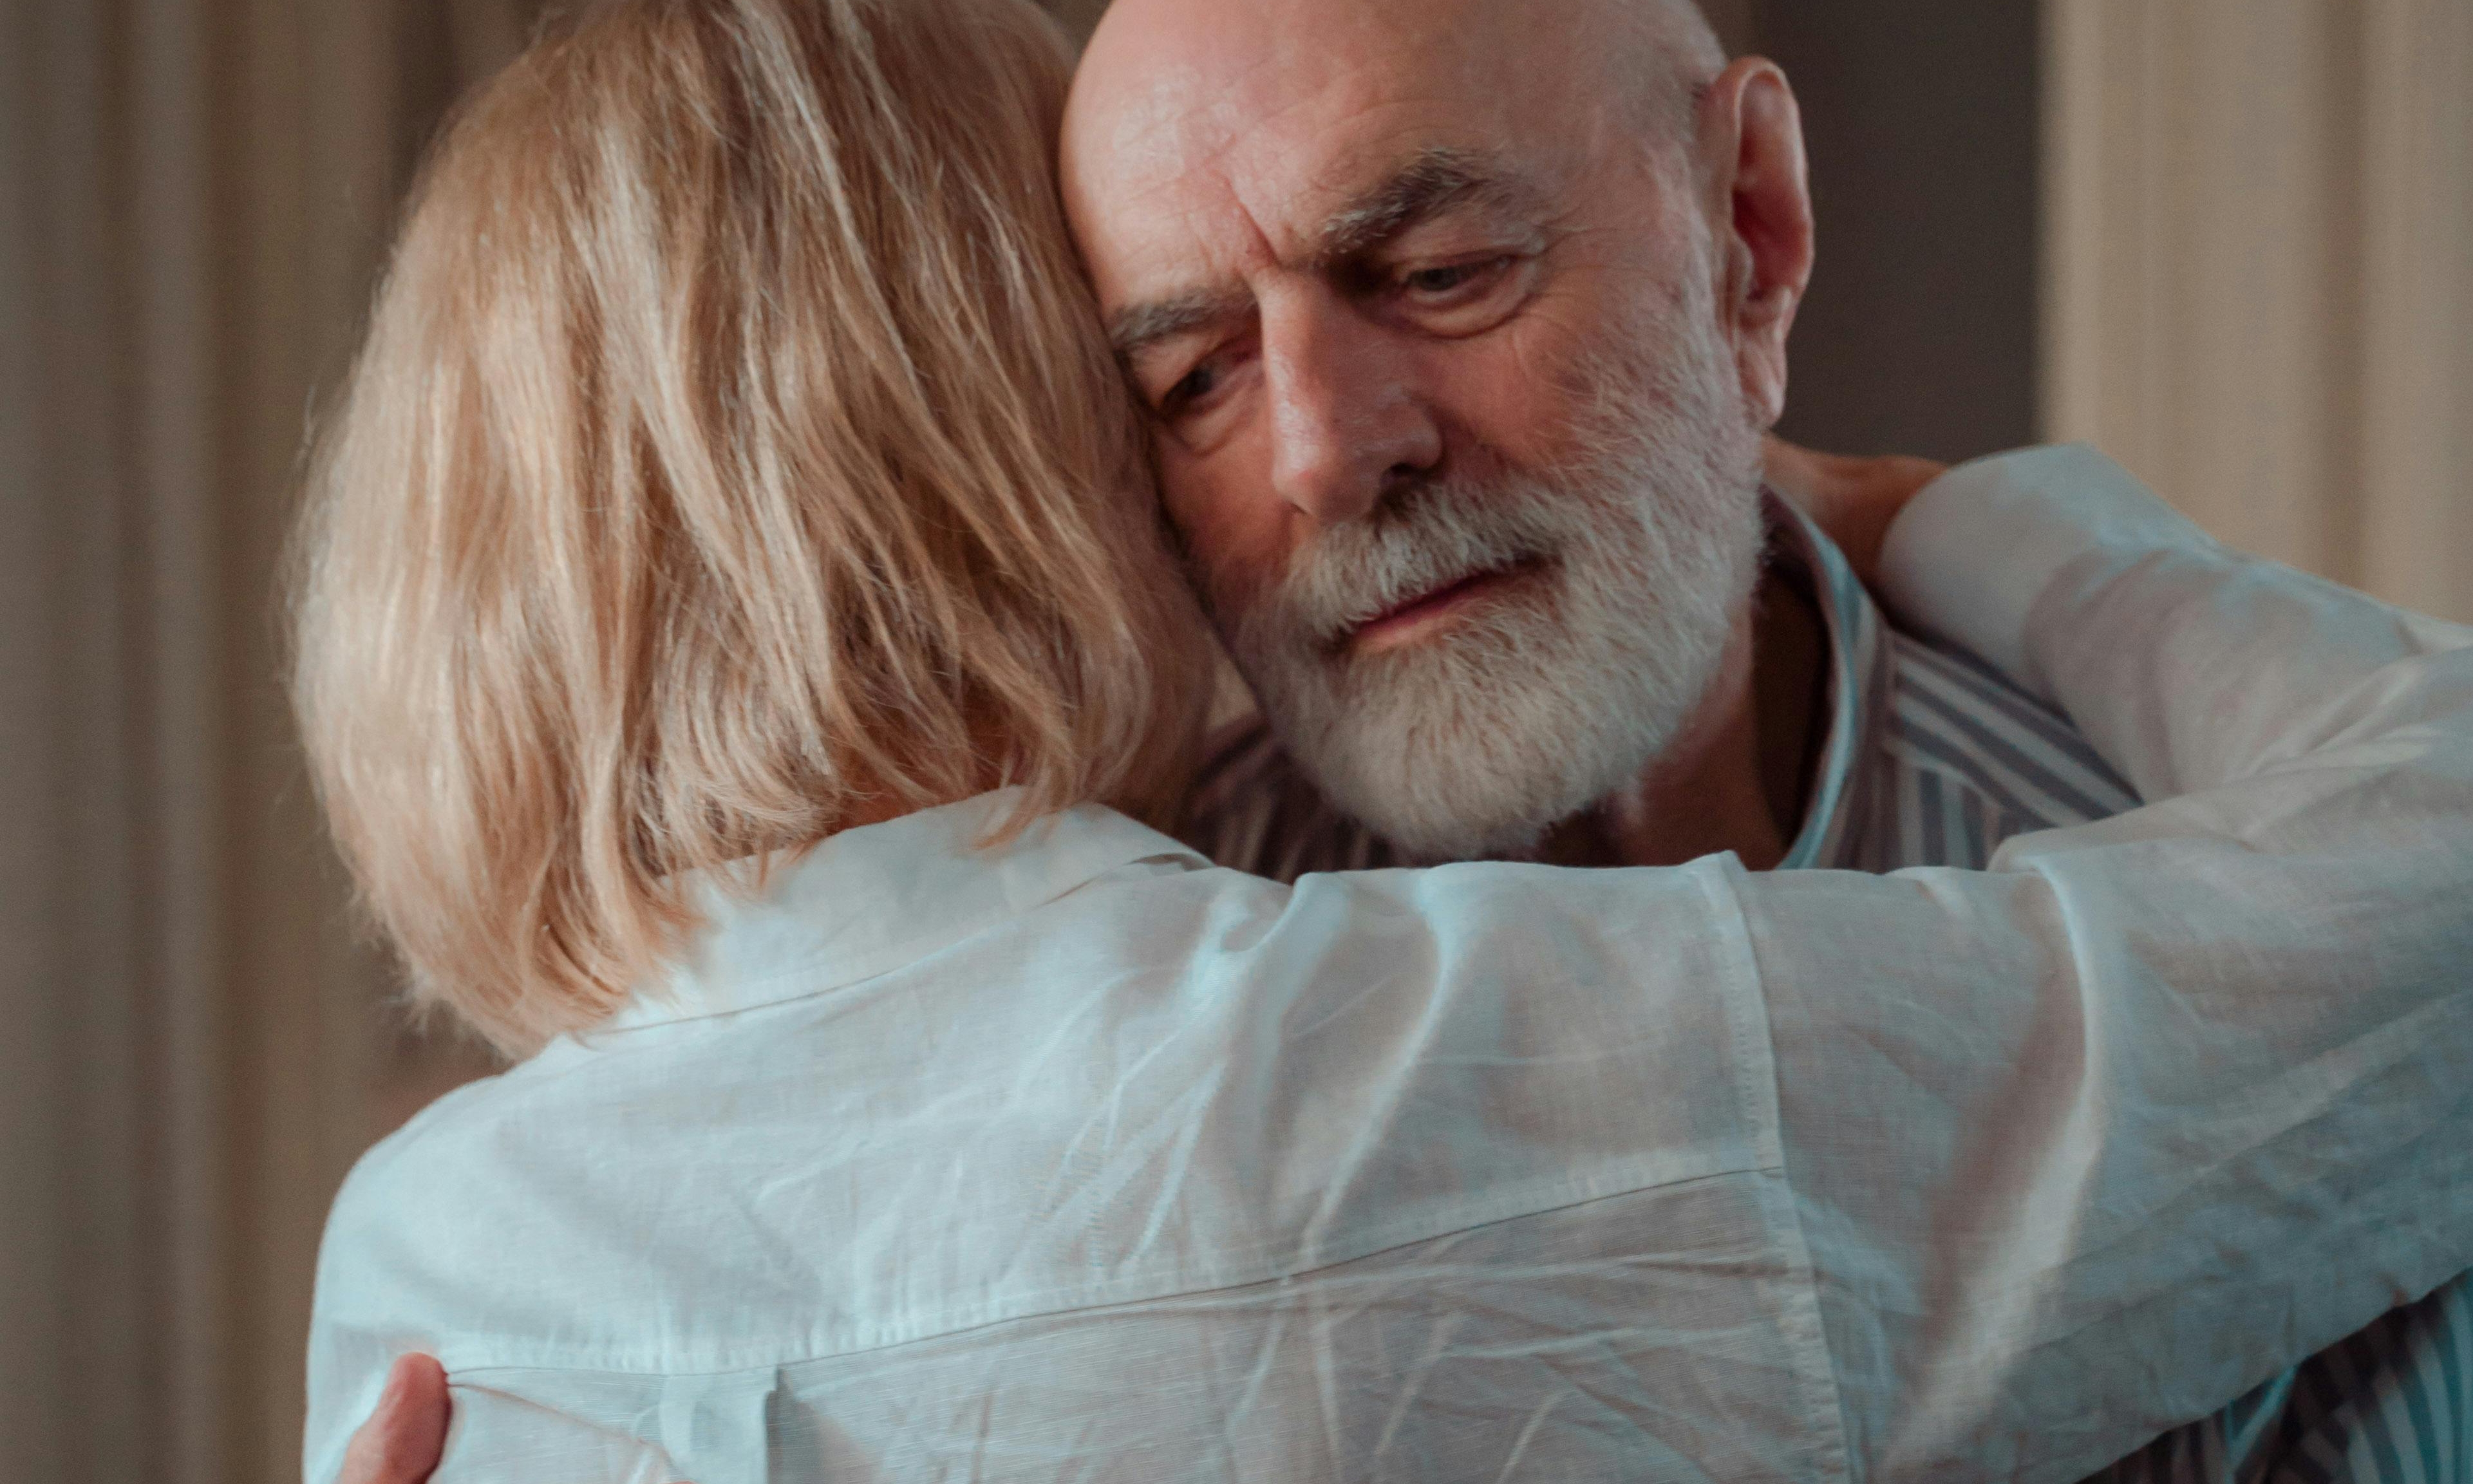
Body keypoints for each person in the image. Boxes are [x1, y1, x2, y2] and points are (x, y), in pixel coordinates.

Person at [299, 0, 2473, 1479]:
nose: (1332, 451)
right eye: (1186, 380)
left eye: (1436, 266)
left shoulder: (2304, 988)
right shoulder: (1180, 1017)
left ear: (1748, 228)